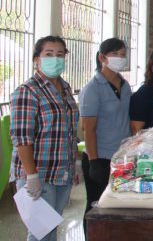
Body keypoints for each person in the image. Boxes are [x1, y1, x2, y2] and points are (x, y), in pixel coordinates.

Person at [10, 36, 79, 241]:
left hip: (62, 172)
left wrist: (73, 165)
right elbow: (22, 138)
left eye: (60, 54)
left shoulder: (64, 88)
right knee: (40, 232)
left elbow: (69, 131)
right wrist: (31, 176)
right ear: (36, 59)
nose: (55, 59)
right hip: (39, 174)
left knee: (52, 228)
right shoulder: (27, 91)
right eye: (48, 54)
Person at [78, 38, 132, 231]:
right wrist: (94, 162)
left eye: (123, 54)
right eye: (115, 54)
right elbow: (88, 129)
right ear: (102, 58)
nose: (120, 58)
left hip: (122, 158)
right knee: (96, 206)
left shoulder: (125, 85)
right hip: (100, 157)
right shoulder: (92, 89)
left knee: (118, 205)